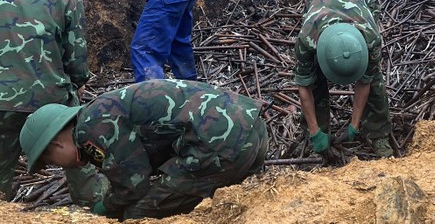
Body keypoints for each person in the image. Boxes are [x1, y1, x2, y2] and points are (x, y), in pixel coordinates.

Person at [19, 79, 267, 220]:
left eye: (51, 160)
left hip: (223, 144)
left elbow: (135, 185)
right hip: (253, 128)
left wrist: (105, 209)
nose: (59, 166)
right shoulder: (99, 110)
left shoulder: (90, 130)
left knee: (137, 214)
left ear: (55, 144)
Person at [0, 0, 107, 205]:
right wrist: (79, 84)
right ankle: (99, 207)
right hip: (49, 99)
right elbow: (76, 58)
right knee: (80, 156)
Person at [294, 0, 393, 158]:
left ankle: (379, 134)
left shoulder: (370, 37)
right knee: (314, 79)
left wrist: (354, 127)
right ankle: (314, 137)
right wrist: (315, 132)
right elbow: (304, 86)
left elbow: (365, 81)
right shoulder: (307, 37)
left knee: (374, 80)